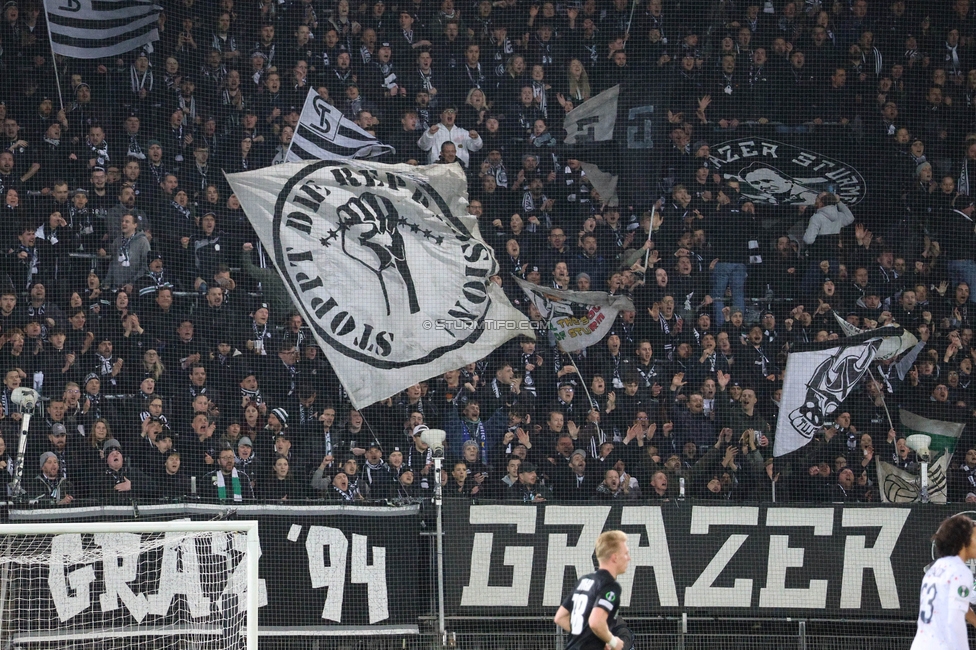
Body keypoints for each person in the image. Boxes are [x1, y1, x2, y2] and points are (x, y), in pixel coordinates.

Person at [554, 530, 632, 650]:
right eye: (625, 554)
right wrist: (612, 641)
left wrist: (594, 637)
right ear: (615, 557)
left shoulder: (584, 581)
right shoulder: (609, 586)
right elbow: (596, 622)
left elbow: (560, 617)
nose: (629, 558)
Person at [911, 514, 976, 650]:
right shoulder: (959, 571)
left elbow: (960, 605)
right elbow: (955, 617)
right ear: (963, 541)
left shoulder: (934, 569)